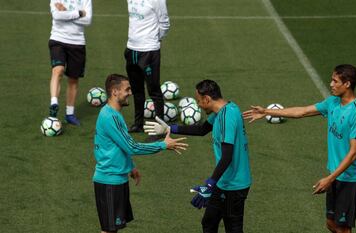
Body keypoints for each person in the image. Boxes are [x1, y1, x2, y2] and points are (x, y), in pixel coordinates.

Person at [243, 64, 356, 233]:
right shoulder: (332, 102)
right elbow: (301, 112)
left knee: (343, 228)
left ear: (347, 84)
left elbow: (353, 153)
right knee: (331, 224)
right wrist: (266, 111)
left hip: (350, 179)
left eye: (335, 81)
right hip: (335, 174)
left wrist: (329, 178)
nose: (331, 84)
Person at [144, 79, 252, 233]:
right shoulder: (225, 109)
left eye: (199, 101)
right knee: (209, 222)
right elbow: (202, 130)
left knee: (233, 228)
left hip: (234, 185)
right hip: (224, 182)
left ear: (207, 99)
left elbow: (227, 156)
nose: (199, 105)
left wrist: (209, 184)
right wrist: (169, 128)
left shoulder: (226, 117)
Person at [93, 74, 188, 233]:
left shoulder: (113, 114)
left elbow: (118, 146)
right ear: (115, 92)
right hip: (109, 182)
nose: (130, 92)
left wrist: (130, 167)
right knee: (109, 230)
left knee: (113, 229)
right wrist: (163, 145)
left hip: (117, 179)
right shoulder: (110, 117)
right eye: (127, 89)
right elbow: (132, 147)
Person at [125, 0, 170, 134]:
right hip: (131, 48)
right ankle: (138, 124)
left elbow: (165, 23)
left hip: (149, 50)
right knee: (136, 90)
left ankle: (160, 129)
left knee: (154, 90)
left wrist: (154, 40)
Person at [48, 0, 92, 125]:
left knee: (73, 79)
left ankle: (70, 114)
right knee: (58, 70)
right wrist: (79, 13)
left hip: (77, 43)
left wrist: (66, 13)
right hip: (58, 39)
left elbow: (88, 20)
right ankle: (54, 102)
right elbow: (56, 16)